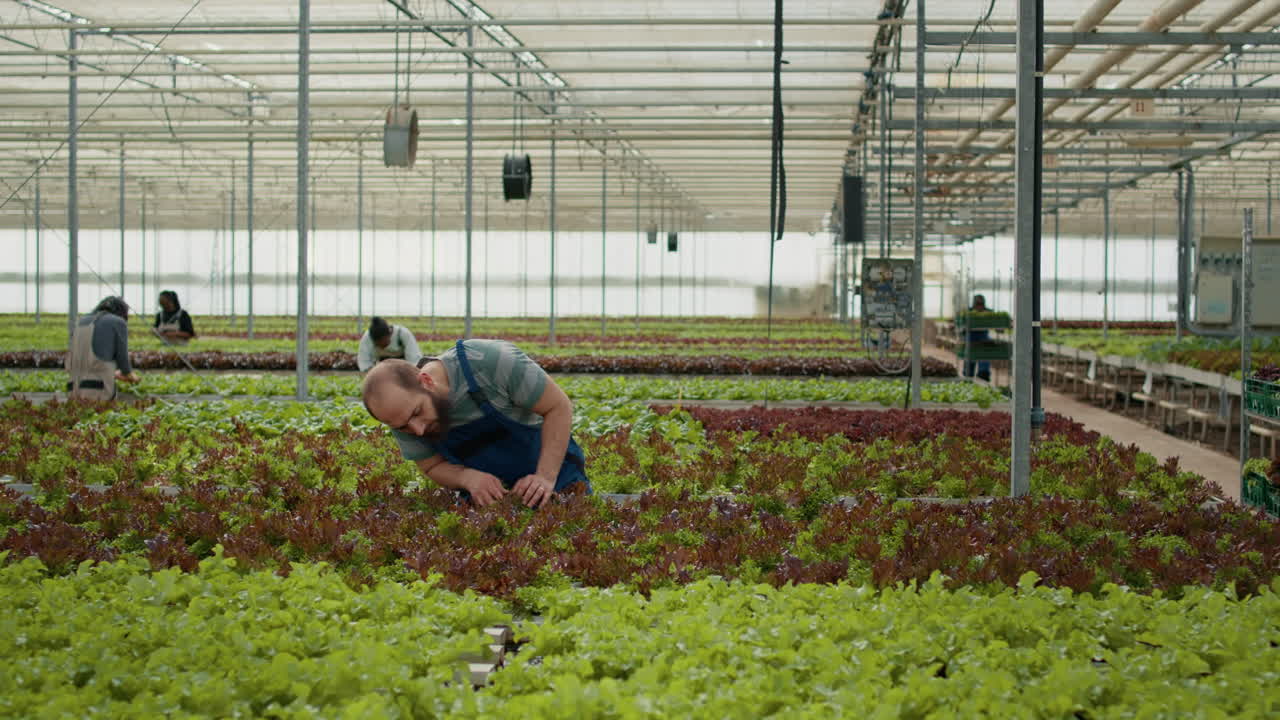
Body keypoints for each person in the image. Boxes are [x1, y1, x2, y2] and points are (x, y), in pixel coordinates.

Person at [361, 339, 590, 508]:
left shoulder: (490, 362)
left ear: (426, 381)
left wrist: (545, 476)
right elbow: (430, 466)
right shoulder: (399, 412)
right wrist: (467, 478)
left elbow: (558, 407)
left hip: (557, 477)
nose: (417, 429)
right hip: (488, 502)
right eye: (402, 427)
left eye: (417, 413)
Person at [67, 296, 140, 400]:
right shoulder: (117, 322)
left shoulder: (81, 321)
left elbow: (91, 363)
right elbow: (123, 361)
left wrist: (114, 373)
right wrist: (131, 376)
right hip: (99, 389)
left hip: (73, 388)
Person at [357, 317, 423, 373]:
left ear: (389, 334)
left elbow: (414, 360)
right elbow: (364, 361)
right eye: (377, 344)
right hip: (382, 370)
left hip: (404, 369)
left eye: (383, 343)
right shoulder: (367, 338)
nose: (381, 347)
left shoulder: (403, 334)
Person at [963, 294, 992, 382]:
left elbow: (998, 328)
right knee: (969, 366)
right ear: (974, 304)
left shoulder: (988, 312)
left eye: (981, 304)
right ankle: (968, 379)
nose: (979, 307)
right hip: (970, 342)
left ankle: (983, 376)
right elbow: (962, 326)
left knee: (984, 365)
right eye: (977, 304)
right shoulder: (968, 313)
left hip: (983, 342)